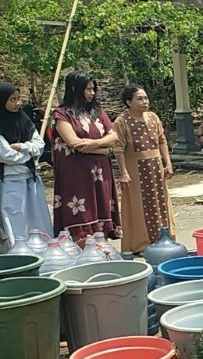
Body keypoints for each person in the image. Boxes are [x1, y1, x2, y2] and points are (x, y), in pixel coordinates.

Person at [51, 70, 121, 242]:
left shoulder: (96, 112)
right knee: (81, 209)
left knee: (101, 205)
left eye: (93, 89)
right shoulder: (62, 114)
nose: (92, 93)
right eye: (88, 89)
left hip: (100, 172)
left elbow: (114, 136)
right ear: (75, 89)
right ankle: (82, 248)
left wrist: (92, 144)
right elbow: (75, 143)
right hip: (76, 172)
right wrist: (103, 149)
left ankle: (101, 245)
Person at [112, 84, 176, 254]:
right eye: (139, 99)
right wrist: (124, 172)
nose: (145, 101)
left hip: (155, 168)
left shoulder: (153, 118)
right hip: (135, 170)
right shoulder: (122, 121)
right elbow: (118, 148)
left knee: (160, 202)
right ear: (128, 102)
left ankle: (163, 238)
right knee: (139, 206)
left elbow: (162, 140)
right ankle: (142, 243)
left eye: (146, 98)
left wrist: (167, 163)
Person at [0, 81, 51, 240]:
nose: (17, 103)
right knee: (16, 224)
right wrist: (30, 153)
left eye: (18, 98)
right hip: (10, 182)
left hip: (31, 180)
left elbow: (40, 145)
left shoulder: (24, 120)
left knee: (38, 221)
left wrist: (22, 146)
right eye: (12, 100)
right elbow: (7, 156)